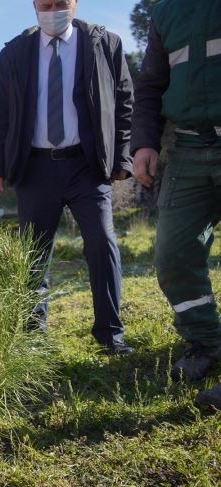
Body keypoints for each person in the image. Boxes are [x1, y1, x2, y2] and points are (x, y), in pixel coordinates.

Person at [0, 0, 134, 355]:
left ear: (75, 3)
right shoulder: (14, 53)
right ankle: (33, 340)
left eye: (61, 3)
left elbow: (125, 101)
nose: (54, 9)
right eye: (46, 4)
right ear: (34, 6)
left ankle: (110, 335)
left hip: (87, 164)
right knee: (33, 255)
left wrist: (121, 154)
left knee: (102, 243)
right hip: (35, 168)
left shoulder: (104, 43)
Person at [131, 0, 221, 406]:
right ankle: (206, 341)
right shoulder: (166, 12)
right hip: (187, 148)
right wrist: (145, 142)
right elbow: (150, 87)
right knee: (172, 255)